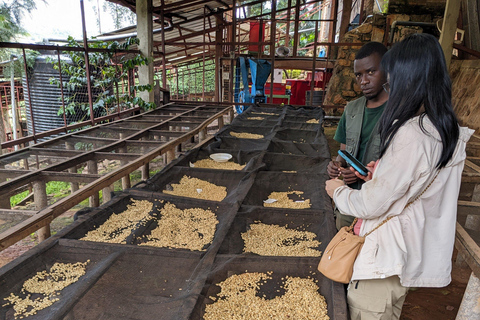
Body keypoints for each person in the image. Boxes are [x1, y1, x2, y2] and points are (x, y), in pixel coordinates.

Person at [325, 33, 473, 320]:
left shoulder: (413, 134)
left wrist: (337, 191)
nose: (389, 89)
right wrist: (379, 173)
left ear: (409, 80)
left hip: (384, 259)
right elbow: (418, 185)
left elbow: (369, 205)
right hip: (404, 258)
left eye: (391, 81)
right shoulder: (445, 129)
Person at [327, 41, 388, 230]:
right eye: (359, 75)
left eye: (371, 72)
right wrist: (337, 167)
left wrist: (362, 175)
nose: (364, 81)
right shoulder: (352, 110)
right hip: (349, 200)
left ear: (388, 70)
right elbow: (343, 154)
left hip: (379, 204)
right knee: (344, 247)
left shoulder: (399, 113)